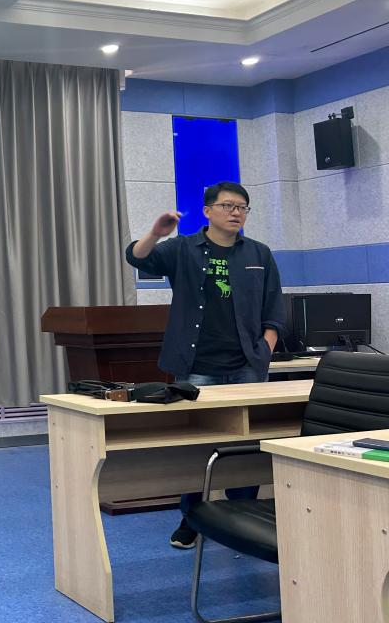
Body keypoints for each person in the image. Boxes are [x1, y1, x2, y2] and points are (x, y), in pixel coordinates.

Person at [125, 181, 285, 549]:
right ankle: (191, 518)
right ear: (208, 211)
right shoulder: (183, 248)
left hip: (246, 365)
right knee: (198, 446)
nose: (236, 212)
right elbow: (138, 258)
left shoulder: (259, 253)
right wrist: (156, 233)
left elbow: (274, 306)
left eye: (242, 207)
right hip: (197, 364)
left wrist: (265, 348)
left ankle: (242, 517)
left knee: (246, 443)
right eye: (228, 205)